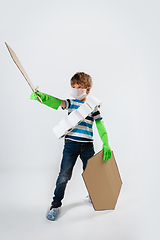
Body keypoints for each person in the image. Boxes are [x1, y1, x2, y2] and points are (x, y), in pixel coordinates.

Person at [30, 72, 112, 221]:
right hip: (70, 145)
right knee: (64, 176)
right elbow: (57, 102)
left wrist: (106, 143)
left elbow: (100, 125)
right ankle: (55, 205)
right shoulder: (72, 103)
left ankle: (94, 196)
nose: (75, 90)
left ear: (87, 89)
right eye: (73, 87)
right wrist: (41, 97)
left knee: (92, 174)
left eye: (79, 87)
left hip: (87, 146)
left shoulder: (92, 107)